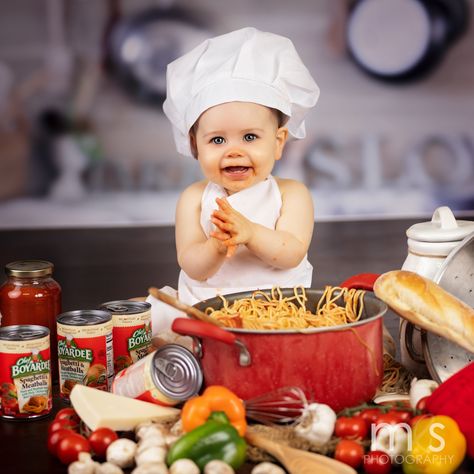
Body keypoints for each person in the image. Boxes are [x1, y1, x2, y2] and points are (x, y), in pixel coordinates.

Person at [148, 27, 320, 335]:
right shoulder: (193, 197)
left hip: (278, 315)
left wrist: (250, 232)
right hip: (205, 313)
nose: (234, 151)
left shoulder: (292, 195)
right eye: (217, 140)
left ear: (279, 142)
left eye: (250, 137)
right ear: (194, 145)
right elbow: (192, 266)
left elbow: (291, 254)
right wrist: (216, 244)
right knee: (148, 319)